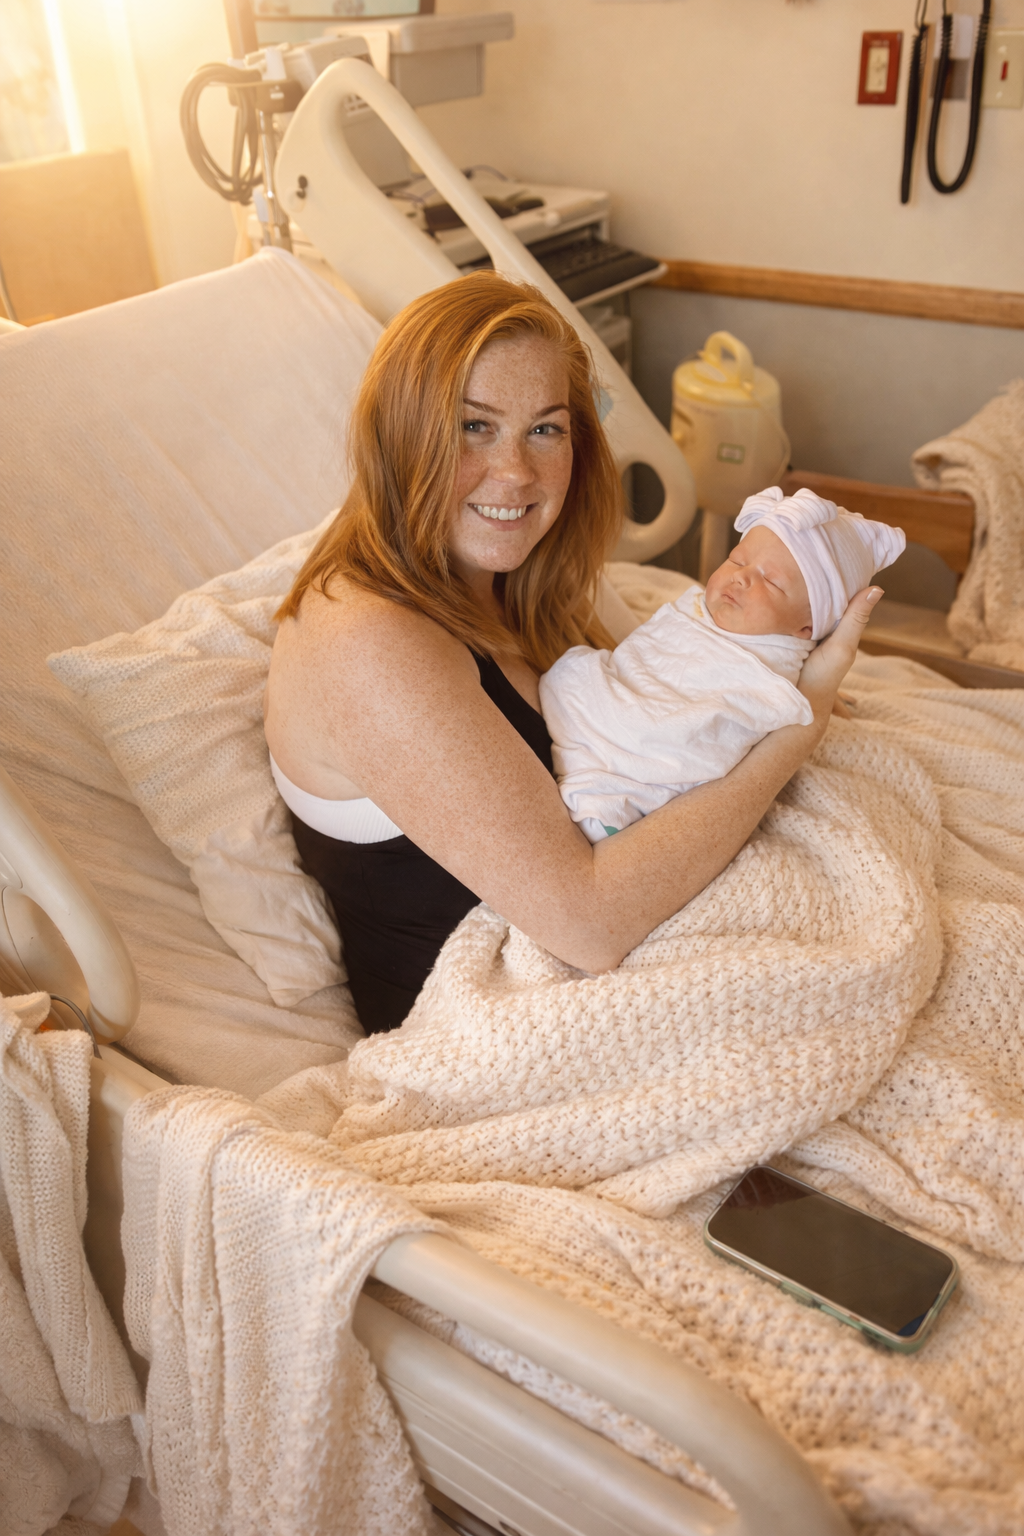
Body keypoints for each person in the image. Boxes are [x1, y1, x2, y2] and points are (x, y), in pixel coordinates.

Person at [263, 273, 881, 1035]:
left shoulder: (510, 576)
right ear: (398, 436)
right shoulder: (369, 641)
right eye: (473, 425)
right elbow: (590, 925)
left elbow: (649, 715)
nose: (516, 473)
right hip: (484, 1028)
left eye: (546, 430)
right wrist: (797, 724)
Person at [541, 485, 904, 842]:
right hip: (613, 700)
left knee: (673, 743)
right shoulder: (699, 609)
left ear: (805, 629)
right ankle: (597, 764)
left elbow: (733, 719)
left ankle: (610, 793)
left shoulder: (771, 671)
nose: (741, 577)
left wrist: (822, 692)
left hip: (656, 737)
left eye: (772, 582)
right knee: (571, 673)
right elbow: (646, 656)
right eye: (737, 559)